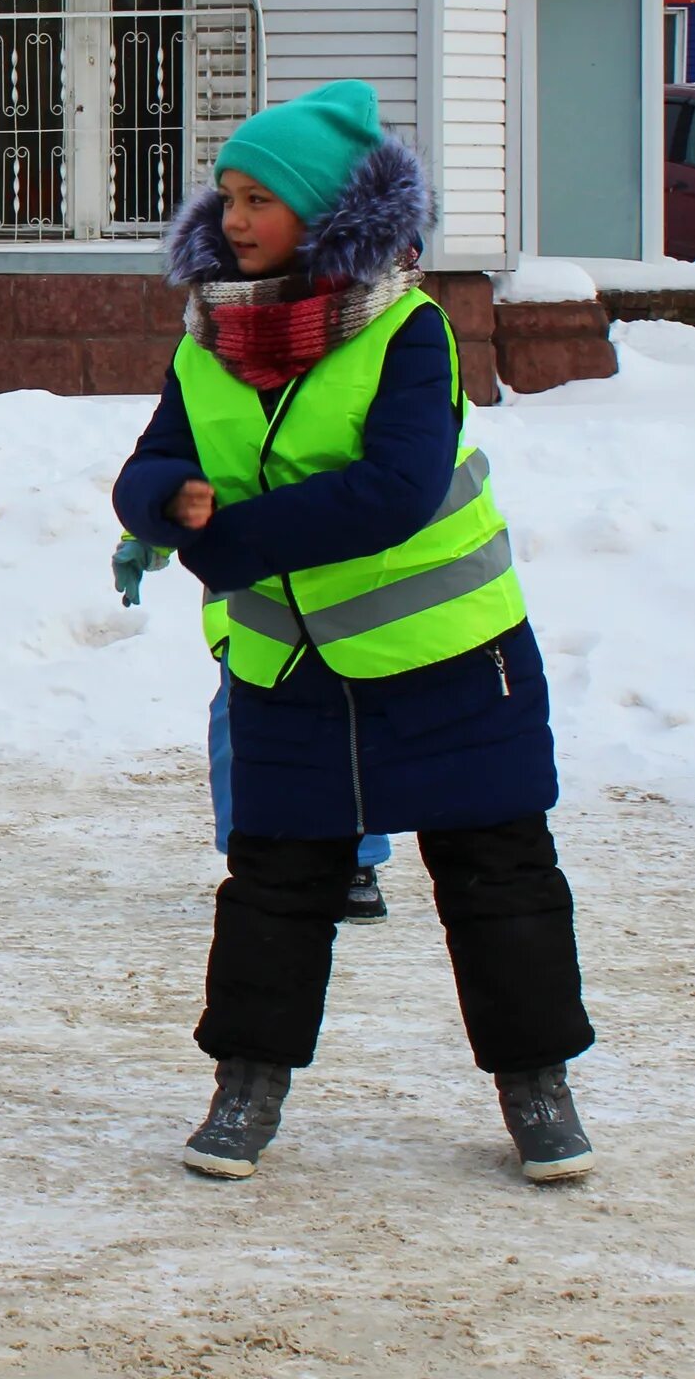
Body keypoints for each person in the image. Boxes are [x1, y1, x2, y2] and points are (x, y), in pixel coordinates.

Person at [111, 79, 596, 1184]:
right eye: (227, 197)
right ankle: (247, 1081)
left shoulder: (406, 329)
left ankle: (538, 1082)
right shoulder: (210, 336)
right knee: (274, 880)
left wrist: (226, 540)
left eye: (260, 198)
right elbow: (151, 461)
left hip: (452, 657)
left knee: (498, 873)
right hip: (289, 664)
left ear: (327, 214)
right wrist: (163, 499)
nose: (233, 218)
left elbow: (395, 490)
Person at [114, 536, 394, 918]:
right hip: (250, 595)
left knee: (350, 714)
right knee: (245, 721)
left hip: (345, 585)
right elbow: (188, 478)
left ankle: (356, 862)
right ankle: (261, 855)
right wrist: (150, 533)